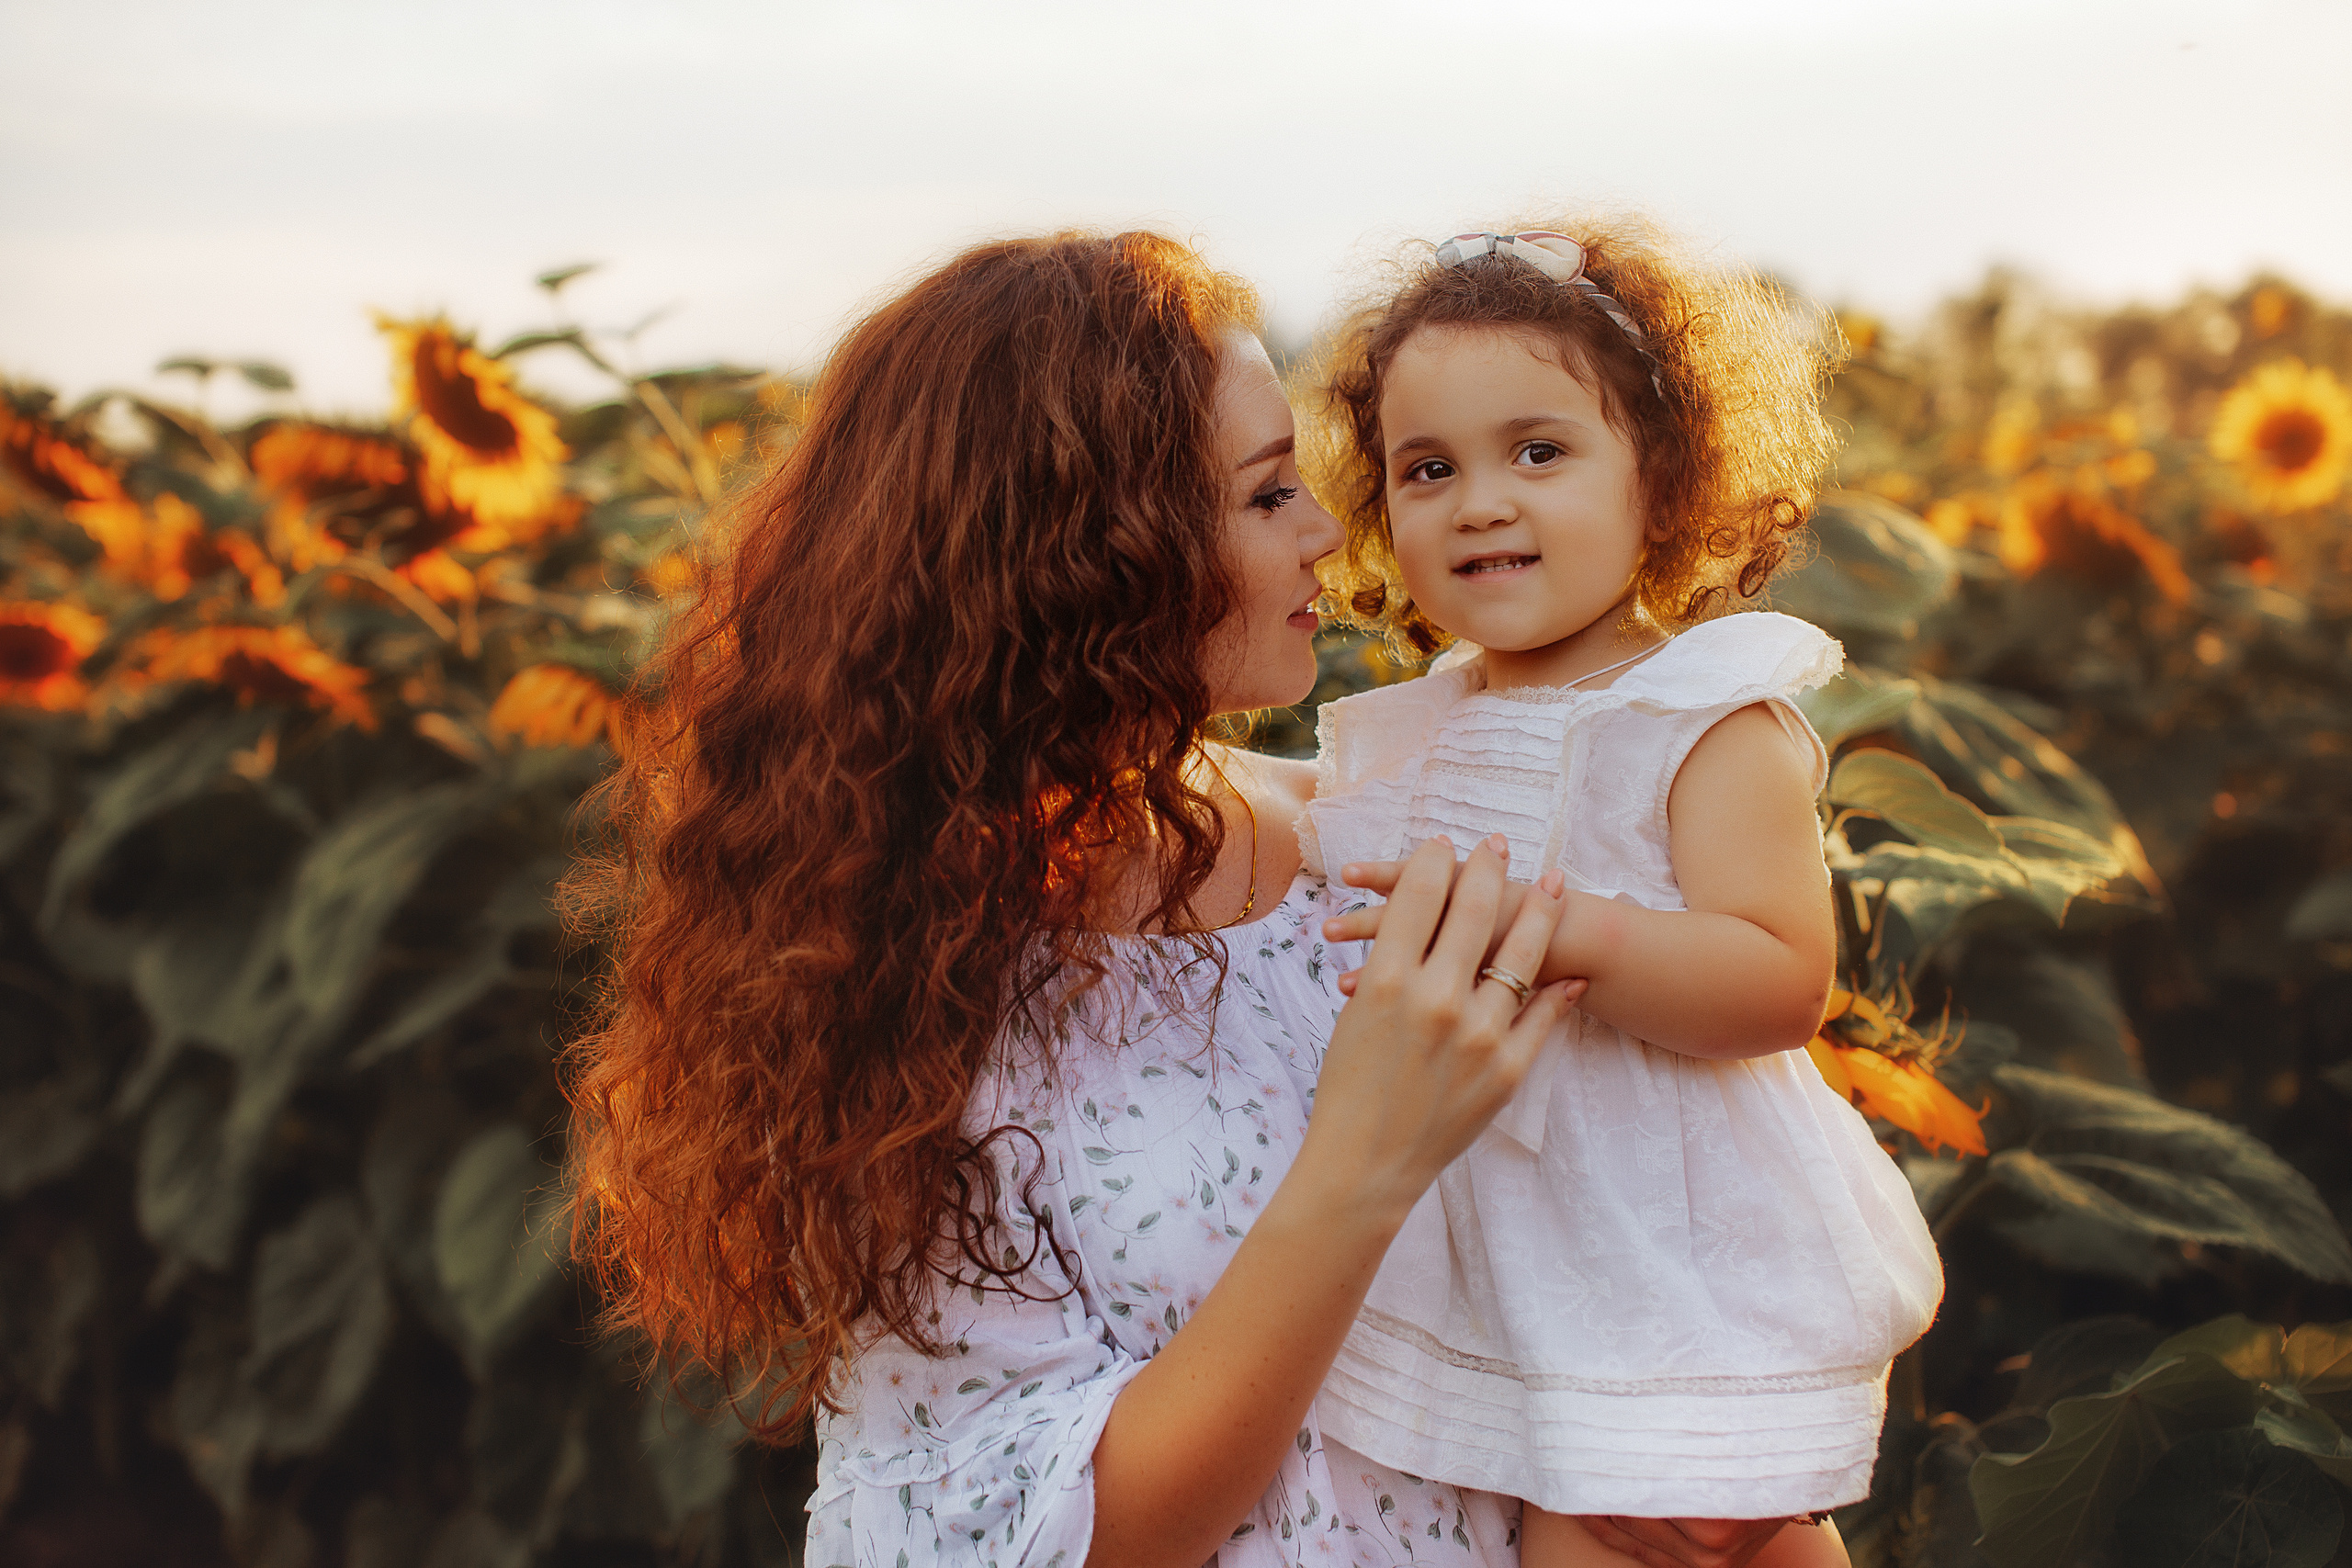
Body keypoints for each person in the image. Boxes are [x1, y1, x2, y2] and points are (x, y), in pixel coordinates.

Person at [563, 230, 1791, 1568]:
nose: (1333, 535)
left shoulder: (1377, 845)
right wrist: (1365, 1157)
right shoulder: (904, 976)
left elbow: (1662, 1191)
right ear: (1093, 555)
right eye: (1268, 499)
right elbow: (1057, 1534)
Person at [1293, 223, 1946, 1567]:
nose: (1479, 501)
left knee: (1676, 1527)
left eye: (1538, 452)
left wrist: (1563, 931)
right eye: (1429, 469)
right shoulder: (1418, 727)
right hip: (1532, 1266)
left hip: (1678, 1259)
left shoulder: (1696, 716)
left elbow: (1778, 982)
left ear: (1664, 481)